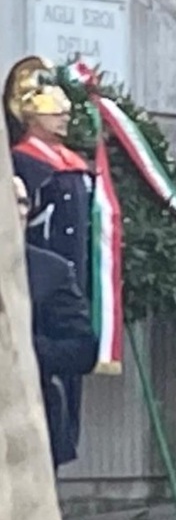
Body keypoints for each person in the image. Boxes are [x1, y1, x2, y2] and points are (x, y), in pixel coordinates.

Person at [4, 56, 94, 467]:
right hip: (30, 283)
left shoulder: (71, 163)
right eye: (54, 113)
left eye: (66, 113)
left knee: (63, 397)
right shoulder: (24, 161)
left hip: (60, 283)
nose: (63, 119)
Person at [14, 176, 97, 520]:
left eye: (21, 202)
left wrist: (26, 348)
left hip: (29, 413)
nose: (14, 210)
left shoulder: (50, 270)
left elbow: (82, 349)